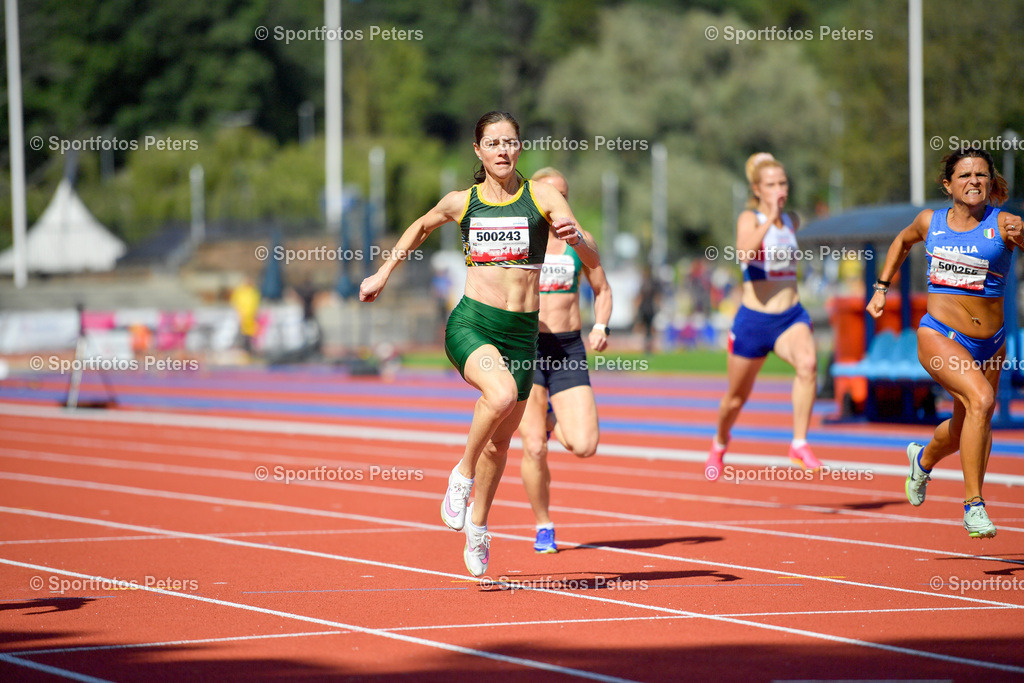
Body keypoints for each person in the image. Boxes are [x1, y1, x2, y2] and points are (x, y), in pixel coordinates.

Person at [359, 111, 598, 576]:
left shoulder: (543, 197)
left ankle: (479, 525)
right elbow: (420, 227)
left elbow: (590, 257)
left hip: (523, 333)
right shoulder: (461, 202)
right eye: (493, 143)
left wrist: (577, 239)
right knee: (502, 394)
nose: (503, 151)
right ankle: (460, 475)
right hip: (473, 322)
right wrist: (383, 273)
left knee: (501, 444)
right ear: (478, 151)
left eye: (510, 142)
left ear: (519, 148)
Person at [867, 145, 1022, 539]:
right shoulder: (930, 222)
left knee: (964, 426)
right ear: (948, 184)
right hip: (939, 334)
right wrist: (882, 288)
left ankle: (923, 460)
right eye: (965, 175)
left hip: (992, 342)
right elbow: (902, 242)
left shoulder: (1004, 224)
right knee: (982, 401)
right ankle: (974, 506)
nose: (974, 181)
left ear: (991, 182)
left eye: (981, 175)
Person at [705, 153, 822, 481]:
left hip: (790, 316)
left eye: (782, 183)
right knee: (735, 399)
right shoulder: (750, 218)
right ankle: (720, 442)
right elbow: (743, 252)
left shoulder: (793, 220)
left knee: (808, 365)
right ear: (757, 190)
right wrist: (769, 218)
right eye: (770, 185)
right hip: (754, 322)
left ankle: (799, 443)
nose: (778, 189)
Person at [518, 168, 613, 553]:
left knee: (585, 445)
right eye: (549, 196)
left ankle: (553, 417)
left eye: (563, 196)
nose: (557, 205)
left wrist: (602, 324)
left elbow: (602, 289)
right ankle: (544, 525)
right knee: (534, 447)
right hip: (525, 349)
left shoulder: (580, 242)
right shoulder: (520, 243)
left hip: (567, 349)